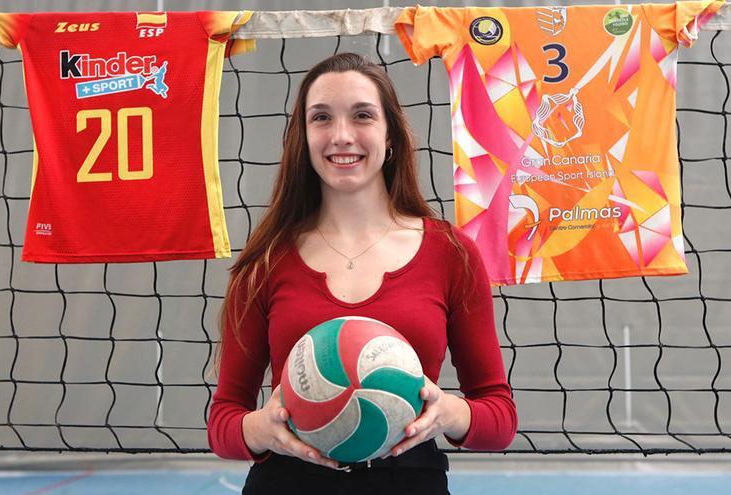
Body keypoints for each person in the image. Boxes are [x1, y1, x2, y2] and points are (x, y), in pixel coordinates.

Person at [207, 52, 517, 494]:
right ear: (303, 137)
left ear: (390, 135)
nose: (341, 135)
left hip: (410, 480)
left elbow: (500, 418)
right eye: (321, 118)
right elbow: (223, 422)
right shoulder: (264, 264)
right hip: (288, 481)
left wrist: (446, 412)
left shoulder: (452, 254)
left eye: (362, 115)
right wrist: (263, 428)